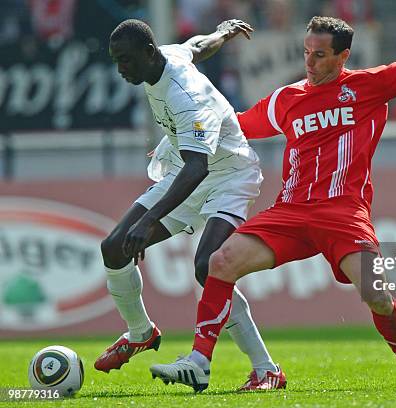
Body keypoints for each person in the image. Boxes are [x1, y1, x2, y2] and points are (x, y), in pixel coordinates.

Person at [150, 15, 396, 391]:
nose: (309, 63)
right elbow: (232, 126)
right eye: (306, 53)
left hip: (344, 213)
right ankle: (199, 361)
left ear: (342, 56)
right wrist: (176, 140)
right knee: (220, 261)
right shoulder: (286, 98)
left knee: (376, 295)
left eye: (319, 55)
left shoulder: (369, 86)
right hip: (291, 212)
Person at [98, 18, 286, 392]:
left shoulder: (188, 98)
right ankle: (140, 333)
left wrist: (149, 219)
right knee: (113, 248)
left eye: (127, 61)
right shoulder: (167, 57)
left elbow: (198, 169)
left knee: (208, 268)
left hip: (229, 175)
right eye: (116, 61)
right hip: (187, 170)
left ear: (149, 53)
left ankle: (266, 369)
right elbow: (197, 46)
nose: (121, 70)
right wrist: (223, 32)